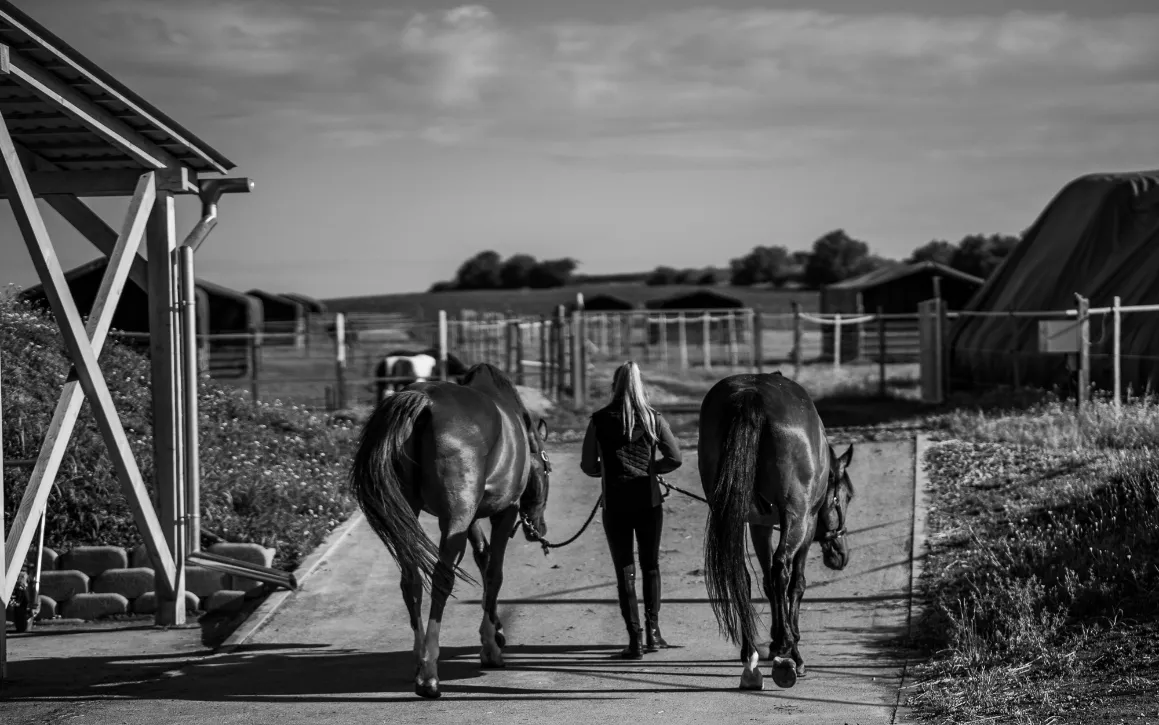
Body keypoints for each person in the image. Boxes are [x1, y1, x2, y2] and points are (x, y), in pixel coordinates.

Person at [580, 361, 683, 659]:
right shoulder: (654, 419)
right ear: (642, 386)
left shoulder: (599, 420)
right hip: (648, 502)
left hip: (615, 504)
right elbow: (675, 458)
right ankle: (653, 632)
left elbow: (588, 466)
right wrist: (652, 470)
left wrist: (609, 470)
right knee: (650, 565)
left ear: (614, 385)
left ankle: (635, 640)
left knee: (625, 571)